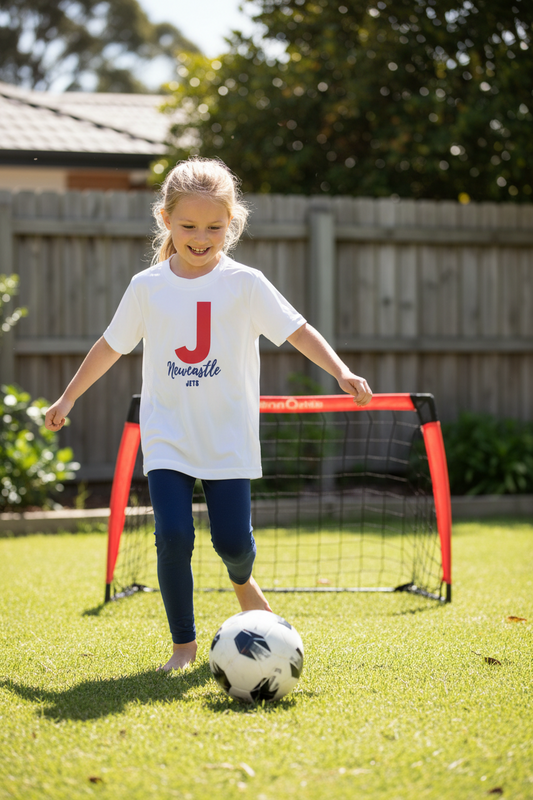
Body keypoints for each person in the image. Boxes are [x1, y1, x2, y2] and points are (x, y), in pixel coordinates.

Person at [44, 157, 372, 671]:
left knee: (234, 544)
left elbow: (298, 328)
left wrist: (341, 370)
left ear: (232, 224)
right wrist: (68, 398)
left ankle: (243, 581)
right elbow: (110, 345)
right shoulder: (146, 287)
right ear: (165, 220)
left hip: (228, 437)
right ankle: (184, 646)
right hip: (168, 435)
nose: (201, 237)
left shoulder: (246, 283)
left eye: (214, 227)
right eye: (189, 226)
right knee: (173, 538)